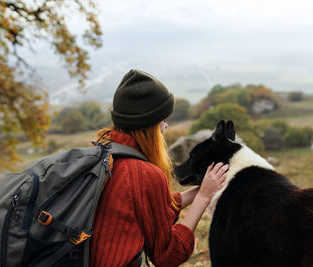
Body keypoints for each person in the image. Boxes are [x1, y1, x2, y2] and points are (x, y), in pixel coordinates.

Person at [90, 69, 229, 267]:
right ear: (149, 125)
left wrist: (201, 190)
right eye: (163, 120)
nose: (166, 126)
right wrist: (204, 198)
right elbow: (167, 255)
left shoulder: (104, 154)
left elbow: (147, 206)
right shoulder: (145, 174)